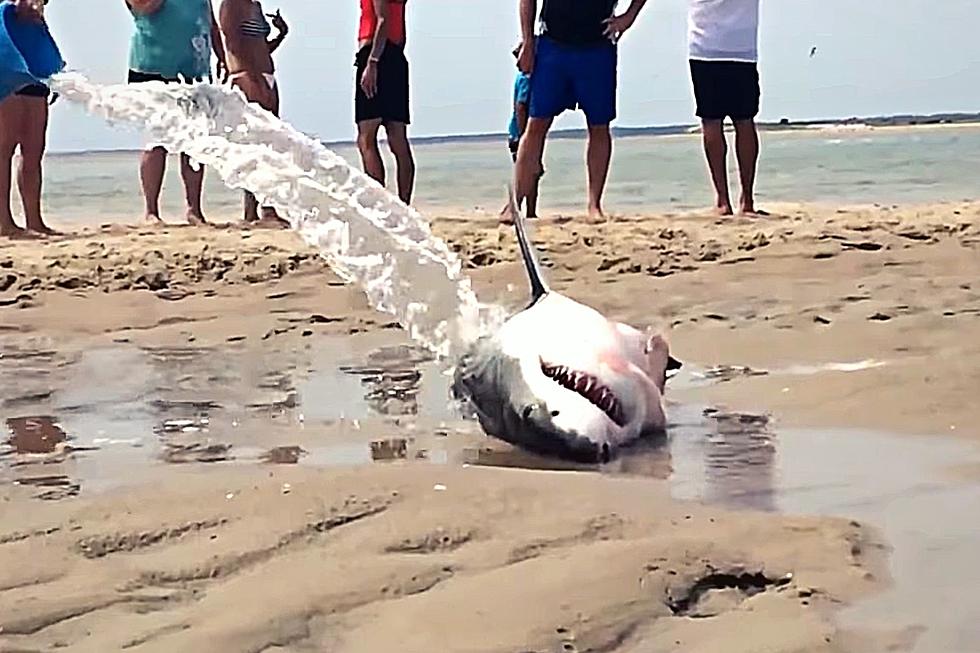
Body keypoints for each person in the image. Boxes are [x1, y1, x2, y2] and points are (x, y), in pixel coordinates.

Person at [514, 0, 648, 223]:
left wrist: (628, 17)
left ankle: (594, 204)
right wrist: (528, 43)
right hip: (552, 45)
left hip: (597, 46)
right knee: (536, 124)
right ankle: (516, 204)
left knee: (599, 125)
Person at [125, 0, 226, 226]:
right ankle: (151, 211)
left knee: (195, 142)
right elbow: (142, 7)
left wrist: (222, 57)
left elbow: (210, 23)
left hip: (194, 68)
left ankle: (194, 209)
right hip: (153, 67)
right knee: (156, 139)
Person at [688, 0, 764, 216]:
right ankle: (743, 199)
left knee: (716, 121)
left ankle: (726, 200)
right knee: (742, 121)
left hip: (711, 47)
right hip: (733, 47)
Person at [219, 0, 289, 226]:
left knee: (269, 145)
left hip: (265, 75)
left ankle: (260, 208)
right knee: (254, 145)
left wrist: (281, 34)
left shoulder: (255, 5)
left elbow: (258, 46)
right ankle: (261, 209)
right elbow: (233, 45)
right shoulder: (231, 4)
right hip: (246, 77)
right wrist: (253, 79)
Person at [0, 0, 57, 238]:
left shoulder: (35, 16)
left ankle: (34, 220)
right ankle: (4, 221)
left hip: (34, 78)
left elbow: (43, 44)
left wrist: (54, 75)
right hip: (7, 76)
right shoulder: (5, 10)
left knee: (34, 151)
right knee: (4, 149)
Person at [355, 0, 415, 205]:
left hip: (377, 53)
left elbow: (383, 20)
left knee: (366, 138)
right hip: (395, 55)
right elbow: (400, 27)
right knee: (397, 137)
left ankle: (379, 204)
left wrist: (372, 62)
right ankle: (404, 204)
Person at [503, 43, 543, 220]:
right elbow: (520, 106)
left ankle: (530, 210)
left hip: (520, 132)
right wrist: (523, 134)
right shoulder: (527, 78)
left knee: (533, 171)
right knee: (530, 171)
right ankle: (521, 208)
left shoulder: (523, 77)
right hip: (521, 132)